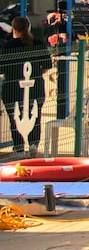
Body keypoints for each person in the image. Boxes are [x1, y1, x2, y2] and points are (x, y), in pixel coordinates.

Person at [1, 17, 50, 152]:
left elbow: (2, 68)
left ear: (14, 30)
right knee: (35, 116)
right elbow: (47, 65)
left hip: (12, 89)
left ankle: (18, 146)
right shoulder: (38, 44)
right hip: (35, 88)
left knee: (14, 117)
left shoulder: (8, 46)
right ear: (28, 28)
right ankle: (34, 145)